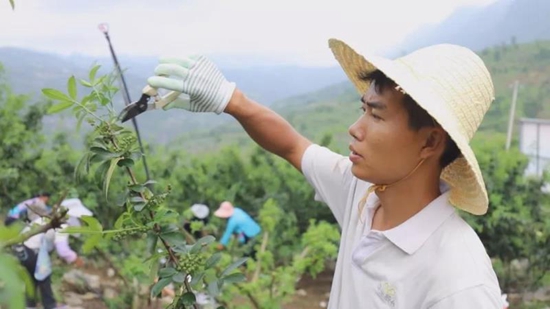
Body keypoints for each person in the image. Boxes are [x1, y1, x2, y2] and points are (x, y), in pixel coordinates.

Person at [146, 39, 503, 308]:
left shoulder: (459, 281)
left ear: (430, 142)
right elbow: (292, 146)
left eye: (376, 116)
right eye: (362, 110)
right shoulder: (361, 192)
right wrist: (229, 99)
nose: (355, 129)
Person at [13, 198, 91, 309]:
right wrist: (75, 258)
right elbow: (62, 249)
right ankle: (50, 306)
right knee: (44, 277)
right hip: (31, 249)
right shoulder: (61, 224)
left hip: (20, 247)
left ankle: (29, 305)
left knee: (32, 278)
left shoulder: (49, 218)